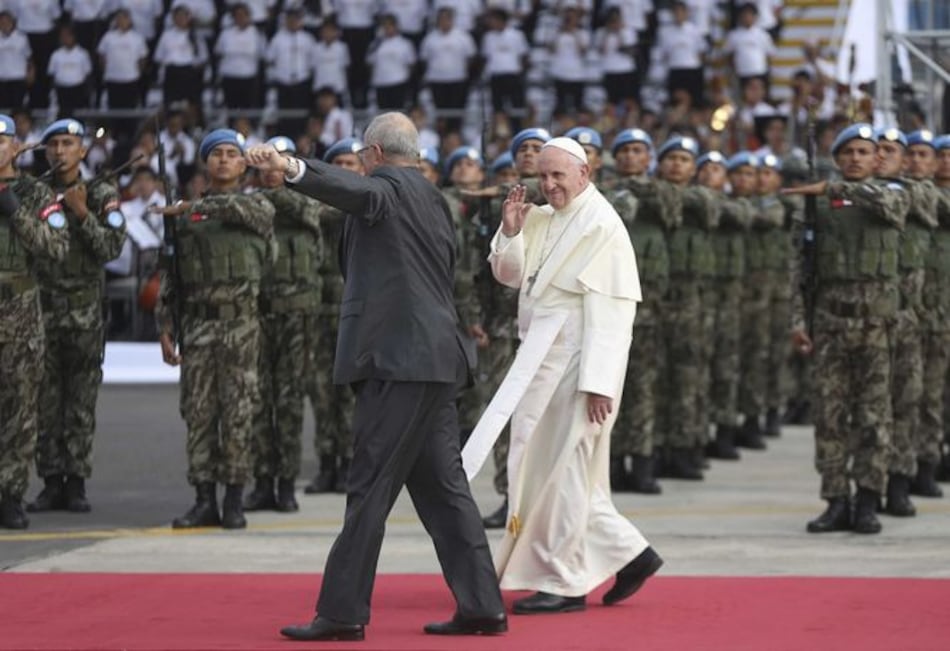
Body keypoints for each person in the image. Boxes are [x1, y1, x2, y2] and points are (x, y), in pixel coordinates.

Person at [245, 112, 506, 640]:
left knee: (368, 487)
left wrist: (292, 165)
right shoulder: (434, 197)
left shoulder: (388, 188)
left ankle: (342, 613)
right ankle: (482, 605)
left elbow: (358, 193)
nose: (360, 167)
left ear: (376, 155)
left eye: (362, 158)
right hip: (434, 361)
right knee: (444, 490)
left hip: (399, 361)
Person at [467, 137, 662, 615]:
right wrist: (511, 232)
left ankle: (565, 582)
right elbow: (511, 276)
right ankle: (633, 555)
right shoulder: (541, 216)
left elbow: (612, 312)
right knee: (552, 469)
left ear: (585, 175)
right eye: (543, 175)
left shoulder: (602, 225)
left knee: (563, 471)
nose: (550, 184)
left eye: (559, 176)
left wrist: (598, 381)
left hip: (578, 366)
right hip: (540, 358)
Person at [785, 123, 911, 535]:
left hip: (878, 325)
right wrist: (798, 322)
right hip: (831, 322)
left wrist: (830, 189)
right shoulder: (817, 205)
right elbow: (800, 269)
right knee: (831, 416)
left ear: (878, 159)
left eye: (864, 152)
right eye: (848, 152)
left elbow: (891, 210)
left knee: (875, 416)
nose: (855, 159)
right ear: (837, 159)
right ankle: (836, 499)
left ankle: (869, 500)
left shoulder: (893, 193)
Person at [154, 128, 275, 530]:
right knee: (199, 413)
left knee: (239, 412)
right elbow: (170, 274)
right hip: (199, 325)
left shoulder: (256, 204)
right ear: (205, 163)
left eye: (231, 154)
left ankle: (235, 499)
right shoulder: (186, 214)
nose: (223, 160)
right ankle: (204, 498)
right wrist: (165, 325)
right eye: (216, 154)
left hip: (240, 325)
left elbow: (246, 214)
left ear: (244, 164)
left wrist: (187, 209)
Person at [28, 118, 126, 514]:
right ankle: (51, 481)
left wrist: (83, 213)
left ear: (82, 151)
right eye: (53, 144)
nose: (59, 151)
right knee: (45, 403)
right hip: (41, 312)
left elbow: (112, 248)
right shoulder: (34, 194)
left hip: (84, 315)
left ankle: (76, 481)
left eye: (68, 143)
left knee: (81, 403)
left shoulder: (101, 192)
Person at [245, 135, 323, 513]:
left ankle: (287, 482)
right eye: (268, 162)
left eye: (282, 161)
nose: (273, 169)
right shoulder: (246, 202)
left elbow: (307, 213)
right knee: (259, 402)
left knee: (290, 402)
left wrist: (273, 184)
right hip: (257, 314)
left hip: (297, 316)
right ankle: (261, 480)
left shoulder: (306, 198)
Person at [0, 113, 68, 529]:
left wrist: (15, 212)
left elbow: (55, 247)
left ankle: (10, 494)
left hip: (19, 312)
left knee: (20, 409)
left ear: (15, 147)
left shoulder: (34, 192)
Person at [302, 138, 361, 495]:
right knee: (322, 393)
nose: (344, 169)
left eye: (352, 164)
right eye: (337, 163)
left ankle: (352, 464)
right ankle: (327, 463)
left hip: (356, 315)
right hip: (318, 312)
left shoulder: (368, 204)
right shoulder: (315, 205)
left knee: (355, 396)